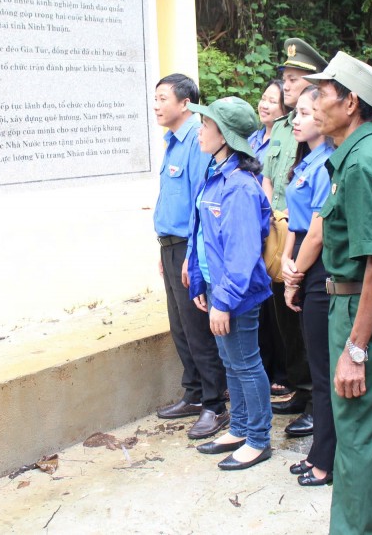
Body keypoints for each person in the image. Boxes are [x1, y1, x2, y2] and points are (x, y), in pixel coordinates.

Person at [305, 51, 372, 534]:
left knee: (354, 435)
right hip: (359, 304)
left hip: (364, 307)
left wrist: (355, 348)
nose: (311, 102)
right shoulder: (356, 158)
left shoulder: (364, 166)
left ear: (350, 104)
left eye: (322, 94)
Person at [185, 97, 275, 471]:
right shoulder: (216, 175)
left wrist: (223, 301)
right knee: (230, 361)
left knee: (246, 362)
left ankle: (258, 438)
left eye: (206, 125)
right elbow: (203, 235)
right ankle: (238, 426)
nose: (200, 130)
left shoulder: (238, 185)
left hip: (235, 294)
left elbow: (242, 255)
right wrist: (200, 282)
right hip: (218, 288)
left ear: (225, 136)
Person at [152, 73, 230, 440]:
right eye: (156, 98)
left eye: (163, 98)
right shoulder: (172, 142)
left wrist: (190, 257)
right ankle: (194, 393)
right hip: (170, 245)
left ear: (185, 103)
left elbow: (201, 203)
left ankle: (215, 405)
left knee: (198, 329)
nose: (156, 105)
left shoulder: (196, 143)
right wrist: (165, 250)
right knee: (180, 326)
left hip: (188, 247)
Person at [262, 38, 328, 437]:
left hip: (306, 238)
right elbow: (272, 176)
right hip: (284, 232)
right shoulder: (286, 129)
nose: (286, 87)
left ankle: (317, 400)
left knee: (309, 322)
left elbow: (317, 215)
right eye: (284, 79)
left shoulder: (326, 145)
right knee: (287, 319)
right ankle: (302, 389)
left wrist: (295, 257)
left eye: (294, 79)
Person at [279, 86, 336, 487]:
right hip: (301, 264)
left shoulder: (328, 163)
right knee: (317, 364)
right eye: (295, 113)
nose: (296, 120)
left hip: (317, 270)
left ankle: (326, 459)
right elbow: (294, 223)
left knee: (324, 368)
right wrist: (286, 261)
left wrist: (294, 274)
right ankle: (320, 453)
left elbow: (316, 231)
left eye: (304, 112)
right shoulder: (306, 162)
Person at [248, 79, 289, 395]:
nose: (264, 104)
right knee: (261, 304)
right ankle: (265, 367)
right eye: (263, 98)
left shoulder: (287, 138)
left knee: (277, 301)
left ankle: (282, 372)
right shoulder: (252, 139)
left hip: (277, 227)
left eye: (272, 101)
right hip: (254, 226)